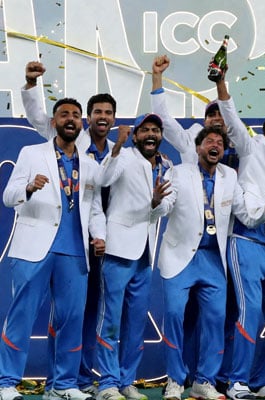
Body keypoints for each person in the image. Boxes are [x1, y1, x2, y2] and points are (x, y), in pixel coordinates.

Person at [152, 126, 265, 400]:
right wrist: (156, 202)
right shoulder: (178, 172)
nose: (215, 145)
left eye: (220, 143)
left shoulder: (230, 175)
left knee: (215, 321)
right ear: (198, 148)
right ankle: (175, 381)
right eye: (209, 141)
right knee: (175, 317)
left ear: (223, 151)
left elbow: (247, 217)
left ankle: (204, 381)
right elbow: (166, 207)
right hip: (180, 257)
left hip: (214, 260)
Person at [0, 98, 106, 400]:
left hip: (74, 253)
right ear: (55, 121)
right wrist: (29, 188)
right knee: (22, 315)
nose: (70, 119)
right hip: (33, 248)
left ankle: (63, 385)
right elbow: (9, 195)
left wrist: (99, 236)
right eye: (64, 115)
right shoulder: (31, 153)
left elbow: (94, 208)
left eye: (75, 115)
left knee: (71, 320)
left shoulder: (89, 164)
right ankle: (6, 382)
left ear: (81, 122)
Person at [22, 60, 117, 396]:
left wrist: (100, 235)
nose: (101, 117)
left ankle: (73, 380)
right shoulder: (65, 138)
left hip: (95, 246)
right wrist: (32, 84)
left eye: (108, 112)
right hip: (55, 240)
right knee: (55, 315)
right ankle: (53, 381)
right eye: (96, 112)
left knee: (84, 315)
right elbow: (38, 117)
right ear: (88, 118)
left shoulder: (117, 153)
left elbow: (96, 203)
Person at [214, 68, 265, 399]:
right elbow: (231, 117)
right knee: (251, 313)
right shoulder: (252, 149)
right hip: (246, 245)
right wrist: (221, 82)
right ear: (264, 135)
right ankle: (236, 382)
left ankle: (259, 380)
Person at [94, 115, 172, 400]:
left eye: (155, 130)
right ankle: (107, 383)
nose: (151, 134)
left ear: (161, 136)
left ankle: (127, 380)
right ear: (136, 135)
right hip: (118, 250)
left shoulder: (167, 165)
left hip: (145, 254)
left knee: (136, 323)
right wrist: (116, 149)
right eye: (145, 130)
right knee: (110, 320)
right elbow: (103, 178)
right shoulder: (124, 156)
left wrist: (155, 204)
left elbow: (168, 206)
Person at [150, 54, 238, 168]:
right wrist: (157, 75)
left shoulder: (240, 143)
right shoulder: (190, 141)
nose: (216, 118)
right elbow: (162, 118)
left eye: (221, 114)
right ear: (204, 122)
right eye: (211, 115)